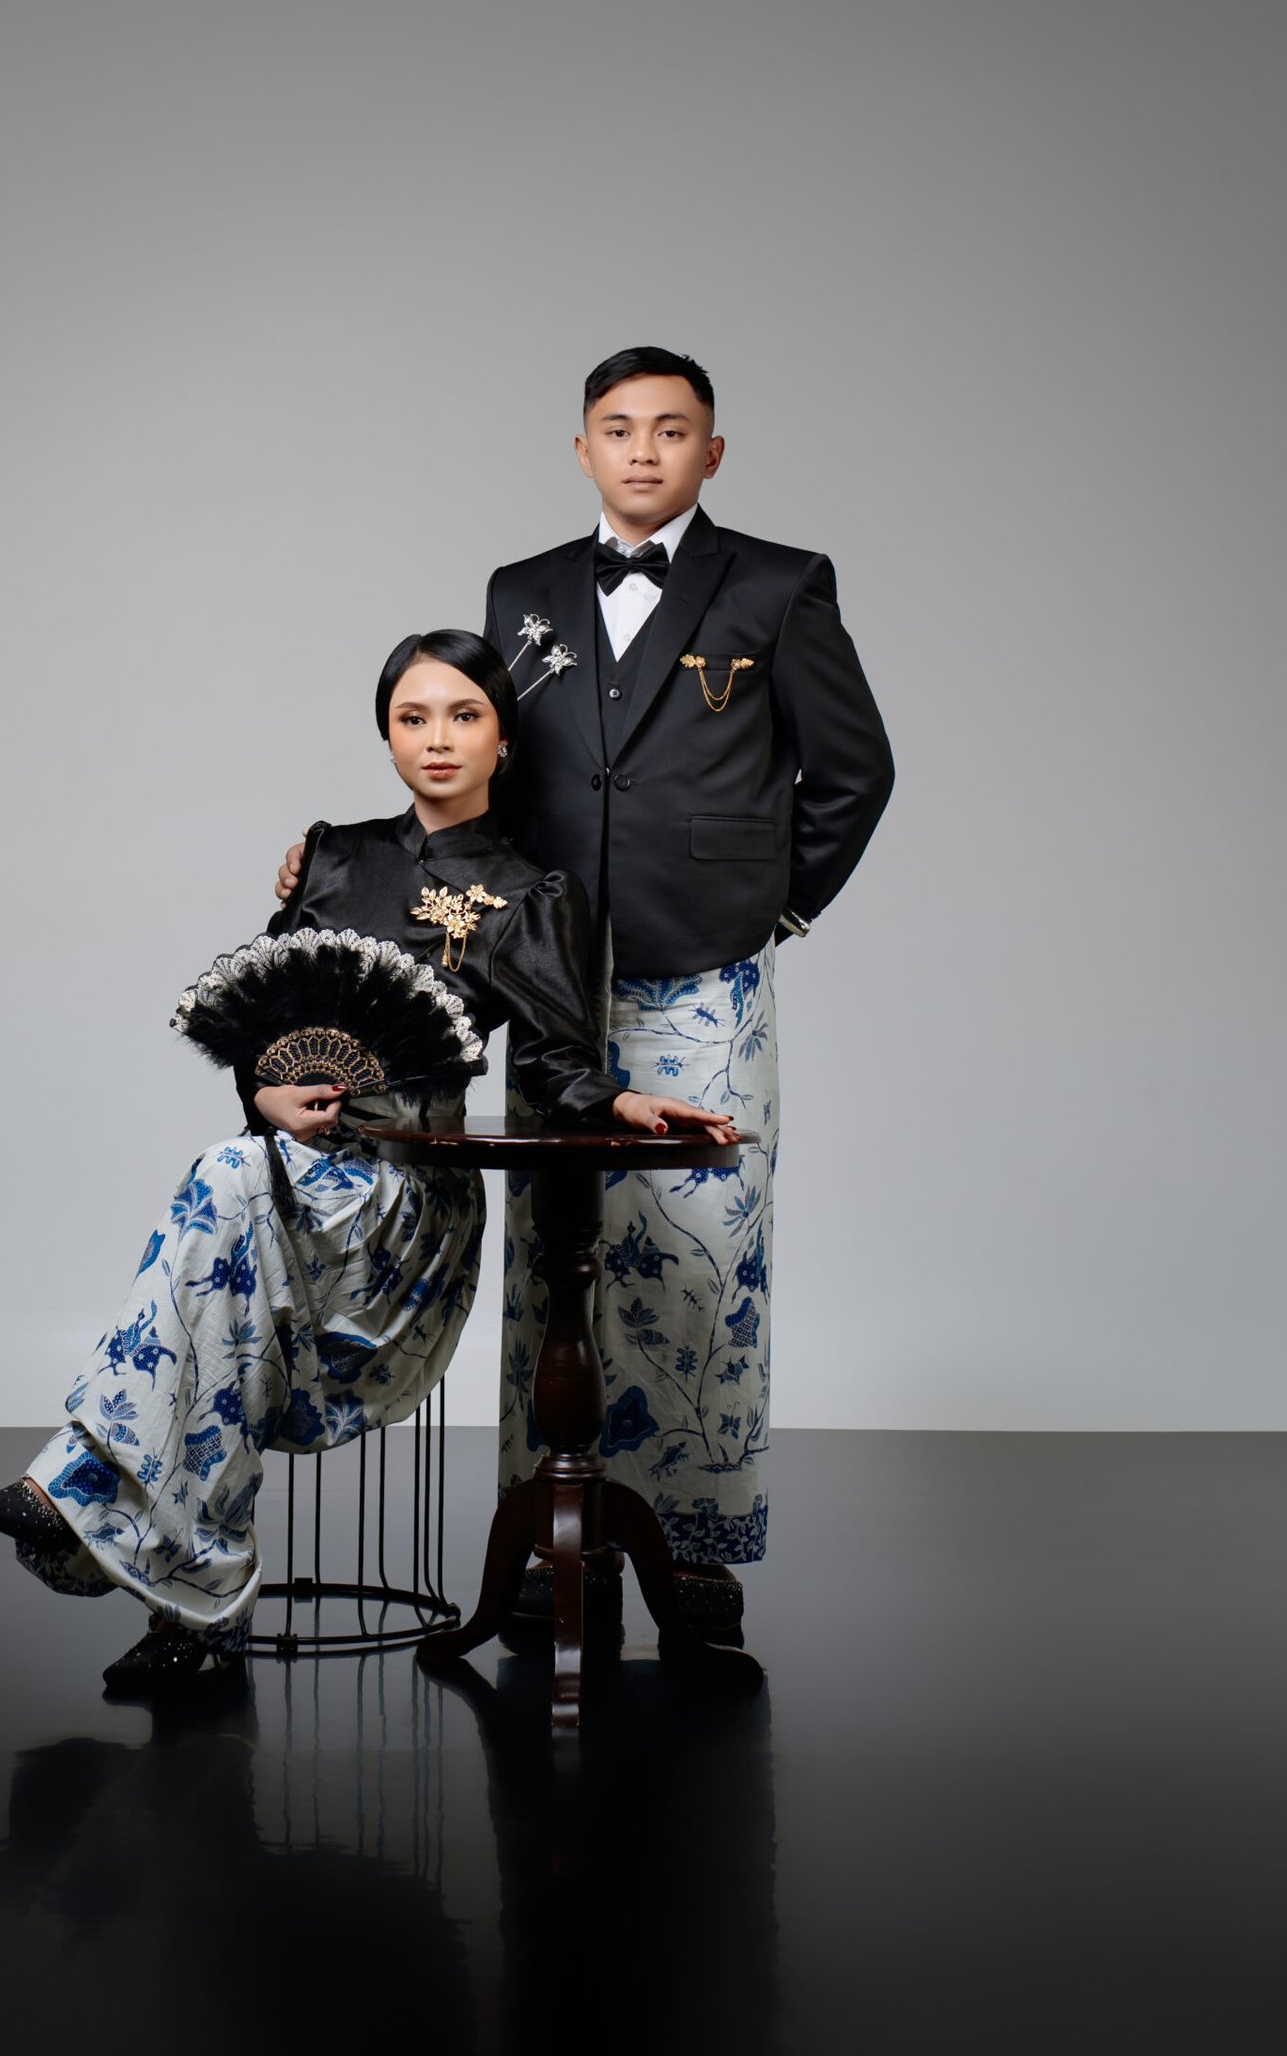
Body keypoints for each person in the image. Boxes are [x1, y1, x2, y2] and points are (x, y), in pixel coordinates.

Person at [0, 628, 732, 1691]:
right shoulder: (334, 856)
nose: (438, 738)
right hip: (294, 1172)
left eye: (464, 715)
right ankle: (188, 1596)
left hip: (405, 1200)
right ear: (385, 735)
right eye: (412, 717)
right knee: (231, 1188)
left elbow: (557, 1062)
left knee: (222, 1182)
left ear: (505, 739)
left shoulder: (534, 894)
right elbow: (265, 1014)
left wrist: (620, 1097)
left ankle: (92, 1494)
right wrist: (263, 1090)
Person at [277, 351, 893, 1631]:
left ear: (711, 453)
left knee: (704, 1244)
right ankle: (554, 1536)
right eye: (618, 429)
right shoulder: (522, 591)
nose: (644, 451)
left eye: (672, 430)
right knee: (556, 1249)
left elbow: (852, 772)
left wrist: (775, 907)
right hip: (544, 973)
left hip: (701, 964)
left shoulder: (778, 585)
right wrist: (355, 860)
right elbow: (478, 764)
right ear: (581, 450)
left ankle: (699, 1547)